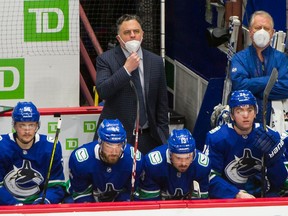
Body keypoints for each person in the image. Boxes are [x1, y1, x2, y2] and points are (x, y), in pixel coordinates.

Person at [94, 14, 169, 155]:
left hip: (150, 138)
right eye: (127, 33)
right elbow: (103, 90)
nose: (133, 35)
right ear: (119, 38)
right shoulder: (105, 60)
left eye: (136, 31)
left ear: (142, 35)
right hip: (117, 139)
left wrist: (163, 136)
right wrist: (126, 69)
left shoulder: (156, 61)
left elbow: (162, 104)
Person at [205, 90, 287, 198]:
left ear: (255, 112)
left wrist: (274, 160)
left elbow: (281, 183)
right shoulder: (217, 138)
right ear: (232, 115)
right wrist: (235, 194)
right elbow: (210, 177)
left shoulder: (270, 136)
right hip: (229, 199)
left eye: (250, 110)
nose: (245, 115)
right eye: (239, 111)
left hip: (263, 198)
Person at [0, 102, 65, 205]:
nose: (27, 130)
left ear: (37, 126)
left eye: (31, 125)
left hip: (38, 204)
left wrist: (44, 201)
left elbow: (56, 185)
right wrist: (14, 205)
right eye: (22, 125)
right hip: (7, 206)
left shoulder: (50, 147)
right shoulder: (2, 146)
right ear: (14, 126)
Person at [230, 10, 288, 126]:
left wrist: (254, 89)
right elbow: (239, 86)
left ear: (272, 33)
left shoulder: (281, 59)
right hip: (245, 125)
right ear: (250, 31)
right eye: (258, 27)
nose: (262, 32)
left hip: (275, 124)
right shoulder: (239, 59)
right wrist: (270, 80)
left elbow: (286, 88)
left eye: (266, 29)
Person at [69, 119, 143, 202]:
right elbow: (81, 194)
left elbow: (130, 192)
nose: (114, 152)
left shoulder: (135, 159)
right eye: (109, 145)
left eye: (119, 145)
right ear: (100, 142)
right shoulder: (81, 160)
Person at [136, 129, 211, 200]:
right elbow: (150, 204)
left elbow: (200, 203)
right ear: (170, 154)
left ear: (194, 153)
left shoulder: (202, 165)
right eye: (178, 158)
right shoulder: (153, 164)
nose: (183, 163)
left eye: (188, 158)